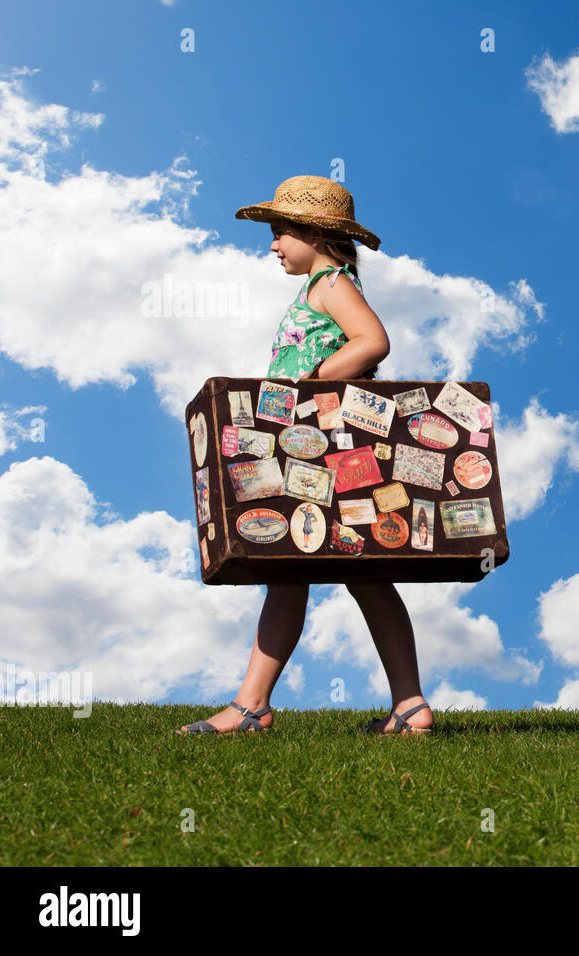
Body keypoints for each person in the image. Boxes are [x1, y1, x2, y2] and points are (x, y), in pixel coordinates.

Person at [178, 175, 432, 736]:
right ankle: (407, 707)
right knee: (336, 573)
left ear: (314, 234)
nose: (272, 245)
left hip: (324, 449)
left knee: (312, 571)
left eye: (280, 232)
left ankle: (252, 709)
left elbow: (371, 340)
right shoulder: (317, 286)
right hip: (315, 447)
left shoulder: (329, 283)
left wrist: (312, 383)